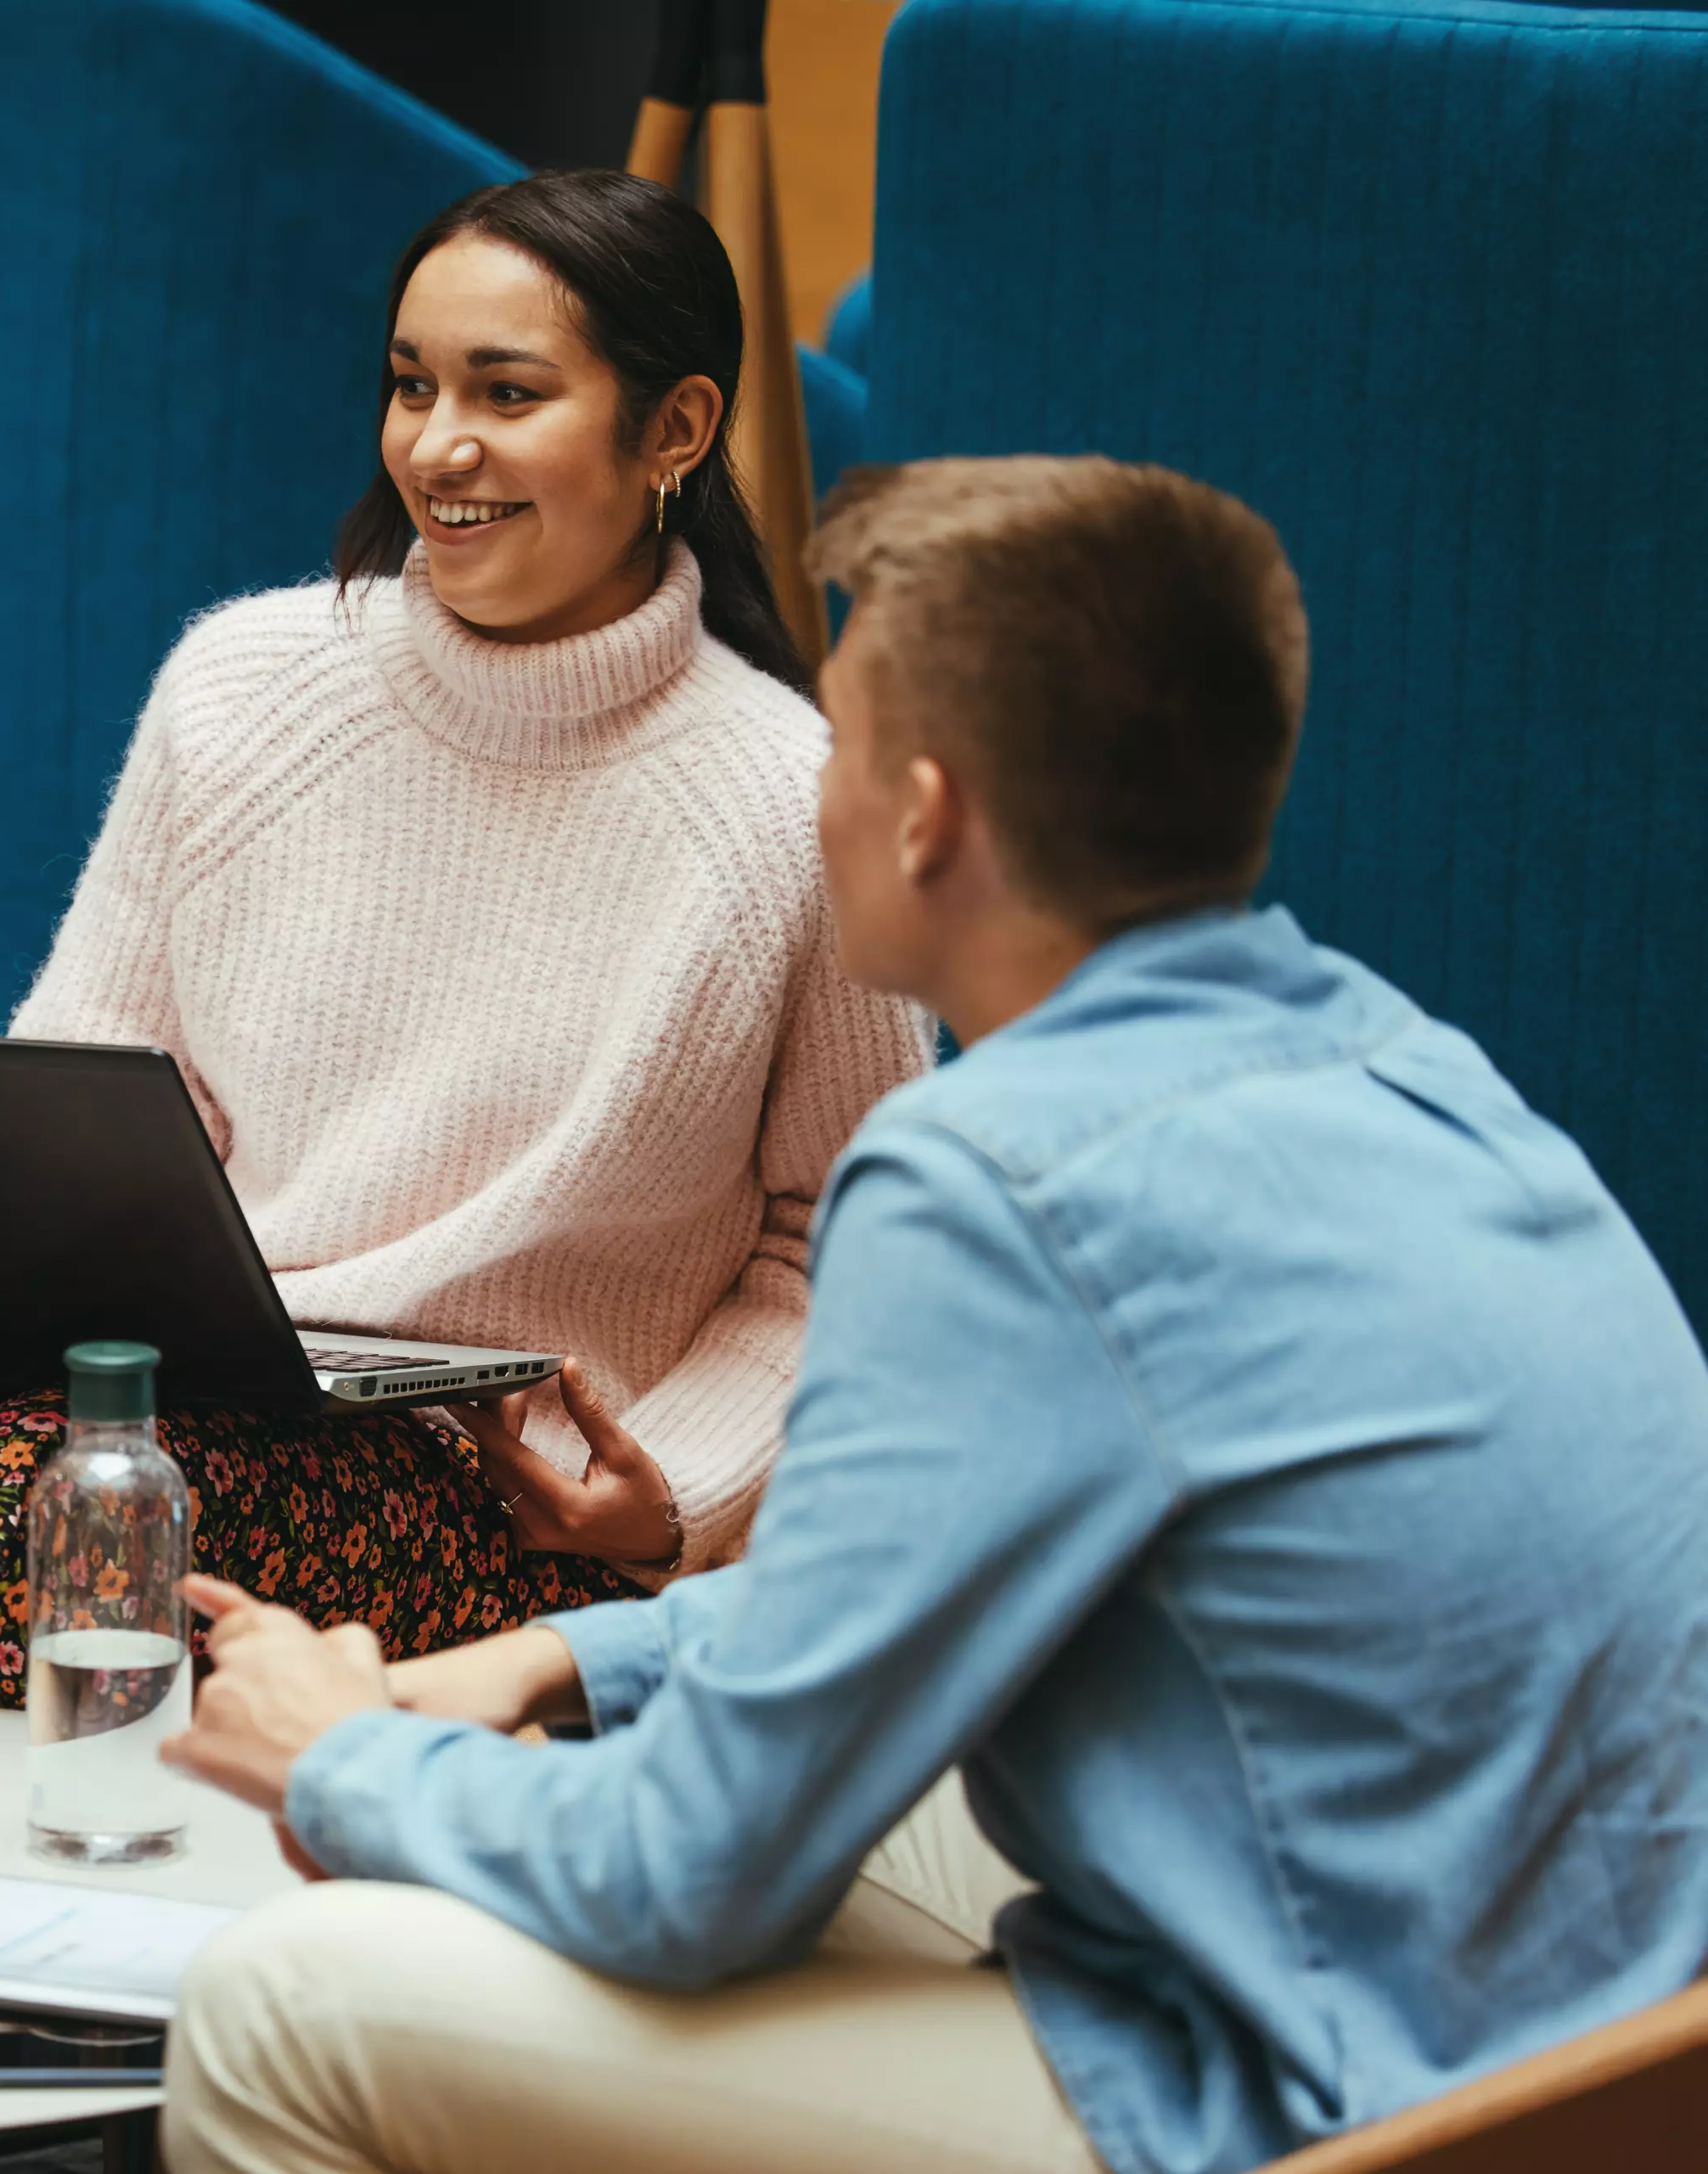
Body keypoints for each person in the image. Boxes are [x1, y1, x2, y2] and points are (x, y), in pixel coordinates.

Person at [150, 455, 1708, 2174]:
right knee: (885, 1794)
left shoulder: (993, 1180)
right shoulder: (1414, 1070)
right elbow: (898, 1601)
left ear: (926, 812)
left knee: (280, 1998)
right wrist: (563, 1658)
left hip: (1330, 2110)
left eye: (840, 740)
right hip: (1605, 2063)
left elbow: (692, 1880)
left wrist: (345, 1756)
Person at [0, 171, 929, 1705]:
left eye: (505, 394)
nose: (436, 446)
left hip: (490, 1484)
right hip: (166, 1377)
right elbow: (73, 1100)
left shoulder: (789, 802)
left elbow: (849, 1244)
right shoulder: (243, 686)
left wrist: (683, 1490)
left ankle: (92, 1914)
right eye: (410, 384)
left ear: (677, 431)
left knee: (56, 1489)